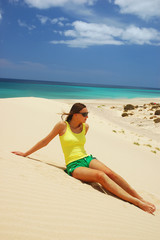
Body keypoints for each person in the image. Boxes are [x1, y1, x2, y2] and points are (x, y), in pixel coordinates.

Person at [12, 103, 156, 214]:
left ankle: (141, 198)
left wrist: (88, 160)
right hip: (74, 165)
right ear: (75, 114)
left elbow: (78, 145)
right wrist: (26, 153)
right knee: (101, 176)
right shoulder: (62, 126)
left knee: (112, 174)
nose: (87, 116)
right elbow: (45, 141)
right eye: (84, 114)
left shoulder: (85, 127)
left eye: (87, 113)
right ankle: (136, 203)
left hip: (87, 158)